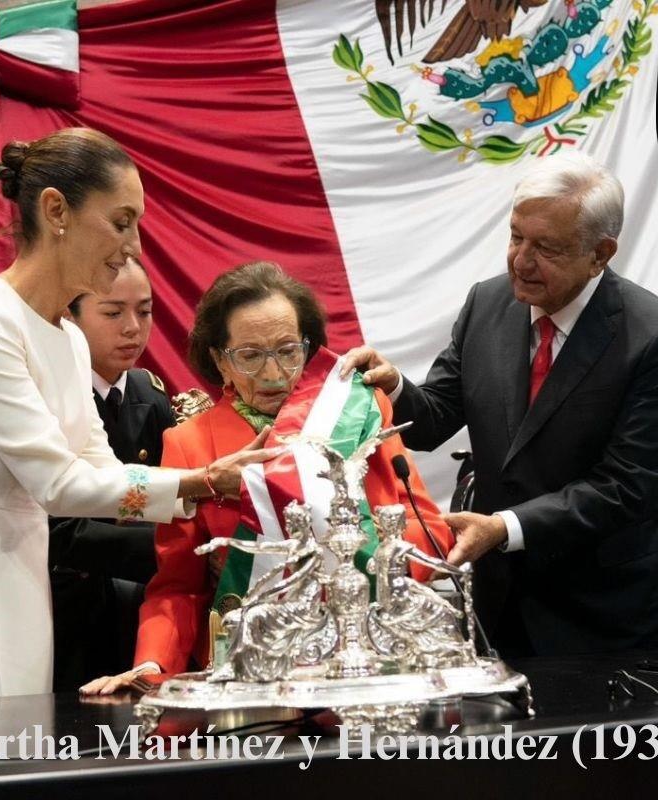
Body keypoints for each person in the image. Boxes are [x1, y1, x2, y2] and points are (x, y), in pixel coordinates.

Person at [0, 128, 275, 705]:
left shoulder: (68, 338)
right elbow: (58, 483)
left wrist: (200, 484)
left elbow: (98, 470)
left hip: (16, 572)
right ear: (56, 210)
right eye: (120, 221)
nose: (133, 245)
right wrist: (200, 481)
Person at [342, 151, 658, 657]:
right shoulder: (487, 303)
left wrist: (503, 528)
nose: (520, 260)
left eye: (545, 248)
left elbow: (627, 487)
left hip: (604, 616)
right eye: (515, 237)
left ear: (601, 253)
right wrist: (394, 385)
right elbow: (432, 420)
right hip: (500, 606)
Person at [79, 261, 453, 694]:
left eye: (288, 350)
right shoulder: (189, 445)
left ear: (309, 349)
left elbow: (432, 532)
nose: (274, 374)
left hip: (369, 655)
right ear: (220, 360)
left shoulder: (360, 414)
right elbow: (177, 588)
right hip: (249, 673)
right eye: (251, 356)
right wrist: (149, 669)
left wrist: (353, 555)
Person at [49, 258, 176, 690]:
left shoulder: (148, 393)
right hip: (60, 608)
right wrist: (170, 549)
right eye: (112, 312)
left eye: (144, 310)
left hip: (136, 608)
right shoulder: (50, 394)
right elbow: (62, 529)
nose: (132, 328)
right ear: (70, 315)